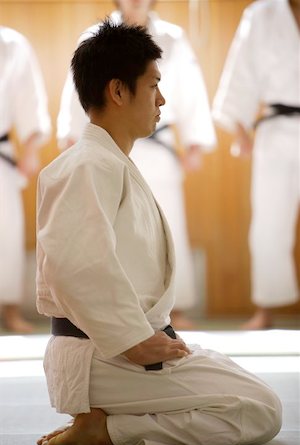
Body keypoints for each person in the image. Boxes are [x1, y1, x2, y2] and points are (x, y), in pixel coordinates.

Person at [36, 19, 281, 445]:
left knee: (239, 384)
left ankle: (105, 422)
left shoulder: (107, 162)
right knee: (261, 410)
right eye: (153, 86)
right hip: (104, 355)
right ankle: (107, 432)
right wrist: (132, 340)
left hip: (120, 347)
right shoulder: (87, 164)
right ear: (117, 91)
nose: (162, 99)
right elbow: (74, 264)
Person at [56, 0, 217, 330]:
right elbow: (80, 88)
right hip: (112, 142)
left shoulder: (172, 37)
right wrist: (72, 136)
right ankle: (124, 310)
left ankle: (175, 307)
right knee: (115, 228)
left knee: (167, 224)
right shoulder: (95, 35)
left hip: (160, 144)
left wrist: (194, 141)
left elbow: (190, 90)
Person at [213, 0, 300, 330]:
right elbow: (241, 71)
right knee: (268, 223)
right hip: (276, 129)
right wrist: (240, 129)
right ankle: (266, 310)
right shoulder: (261, 14)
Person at [0, 26, 51, 333]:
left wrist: (30, 149)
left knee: (7, 230)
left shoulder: (12, 44)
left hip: (2, 150)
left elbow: (29, 97)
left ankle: (10, 309)